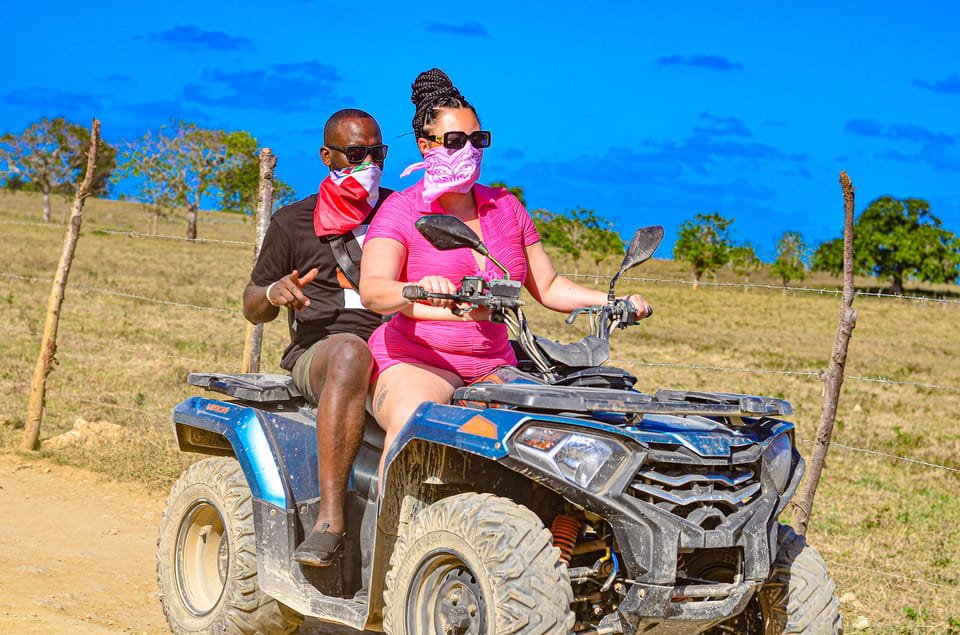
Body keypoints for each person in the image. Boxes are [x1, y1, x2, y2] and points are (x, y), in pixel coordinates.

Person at [359, 69, 651, 480]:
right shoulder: (403, 209)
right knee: (415, 421)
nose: (468, 150)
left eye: (477, 140)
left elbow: (548, 286)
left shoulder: (506, 208)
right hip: (418, 361)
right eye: (454, 141)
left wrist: (613, 302)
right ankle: (390, 519)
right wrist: (417, 289)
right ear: (425, 146)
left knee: (566, 437)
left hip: (494, 364)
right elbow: (373, 291)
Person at [242, 108, 391, 567]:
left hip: (395, 345)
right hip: (323, 352)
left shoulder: (400, 212)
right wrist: (274, 291)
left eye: (378, 153)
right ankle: (330, 522)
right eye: (357, 154)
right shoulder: (293, 222)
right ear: (327, 156)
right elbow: (252, 304)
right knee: (350, 353)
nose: (370, 163)